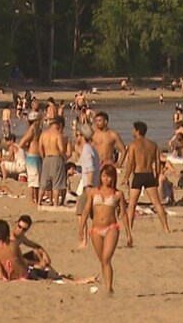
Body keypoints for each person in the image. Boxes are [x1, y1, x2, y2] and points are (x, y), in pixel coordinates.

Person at [77, 163, 132, 294]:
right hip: (95, 229)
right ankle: (109, 286)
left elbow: (123, 214)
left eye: (109, 177)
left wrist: (129, 233)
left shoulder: (118, 194)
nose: (106, 179)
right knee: (102, 260)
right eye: (103, 176)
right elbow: (85, 211)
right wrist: (81, 228)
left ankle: (109, 288)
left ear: (113, 178)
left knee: (106, 258)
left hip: (111, 227)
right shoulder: (92, 192)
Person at [121, 121, 171, 233]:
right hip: (149, 175)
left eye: (133, 129)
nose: (132, 131)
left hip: (138, 175)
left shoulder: (133, 145)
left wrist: (126, 177)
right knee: (157, 203)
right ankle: (166, 228)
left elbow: (130, 163)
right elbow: (158, 163)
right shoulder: (153, 145)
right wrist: (157, 176)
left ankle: (129, 229)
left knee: (132, 205)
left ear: (137, 131)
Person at [38, 115, 69, 206]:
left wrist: (43, 157)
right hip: (56, 158)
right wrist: (64, 157)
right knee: (57, 183)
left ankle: (39, 202)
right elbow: (61, 149)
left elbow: (40, 148)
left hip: (46, 158)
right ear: (59, 124)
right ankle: (55, 203)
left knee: (43, 183)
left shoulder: (43, 134)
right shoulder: (58, 135)